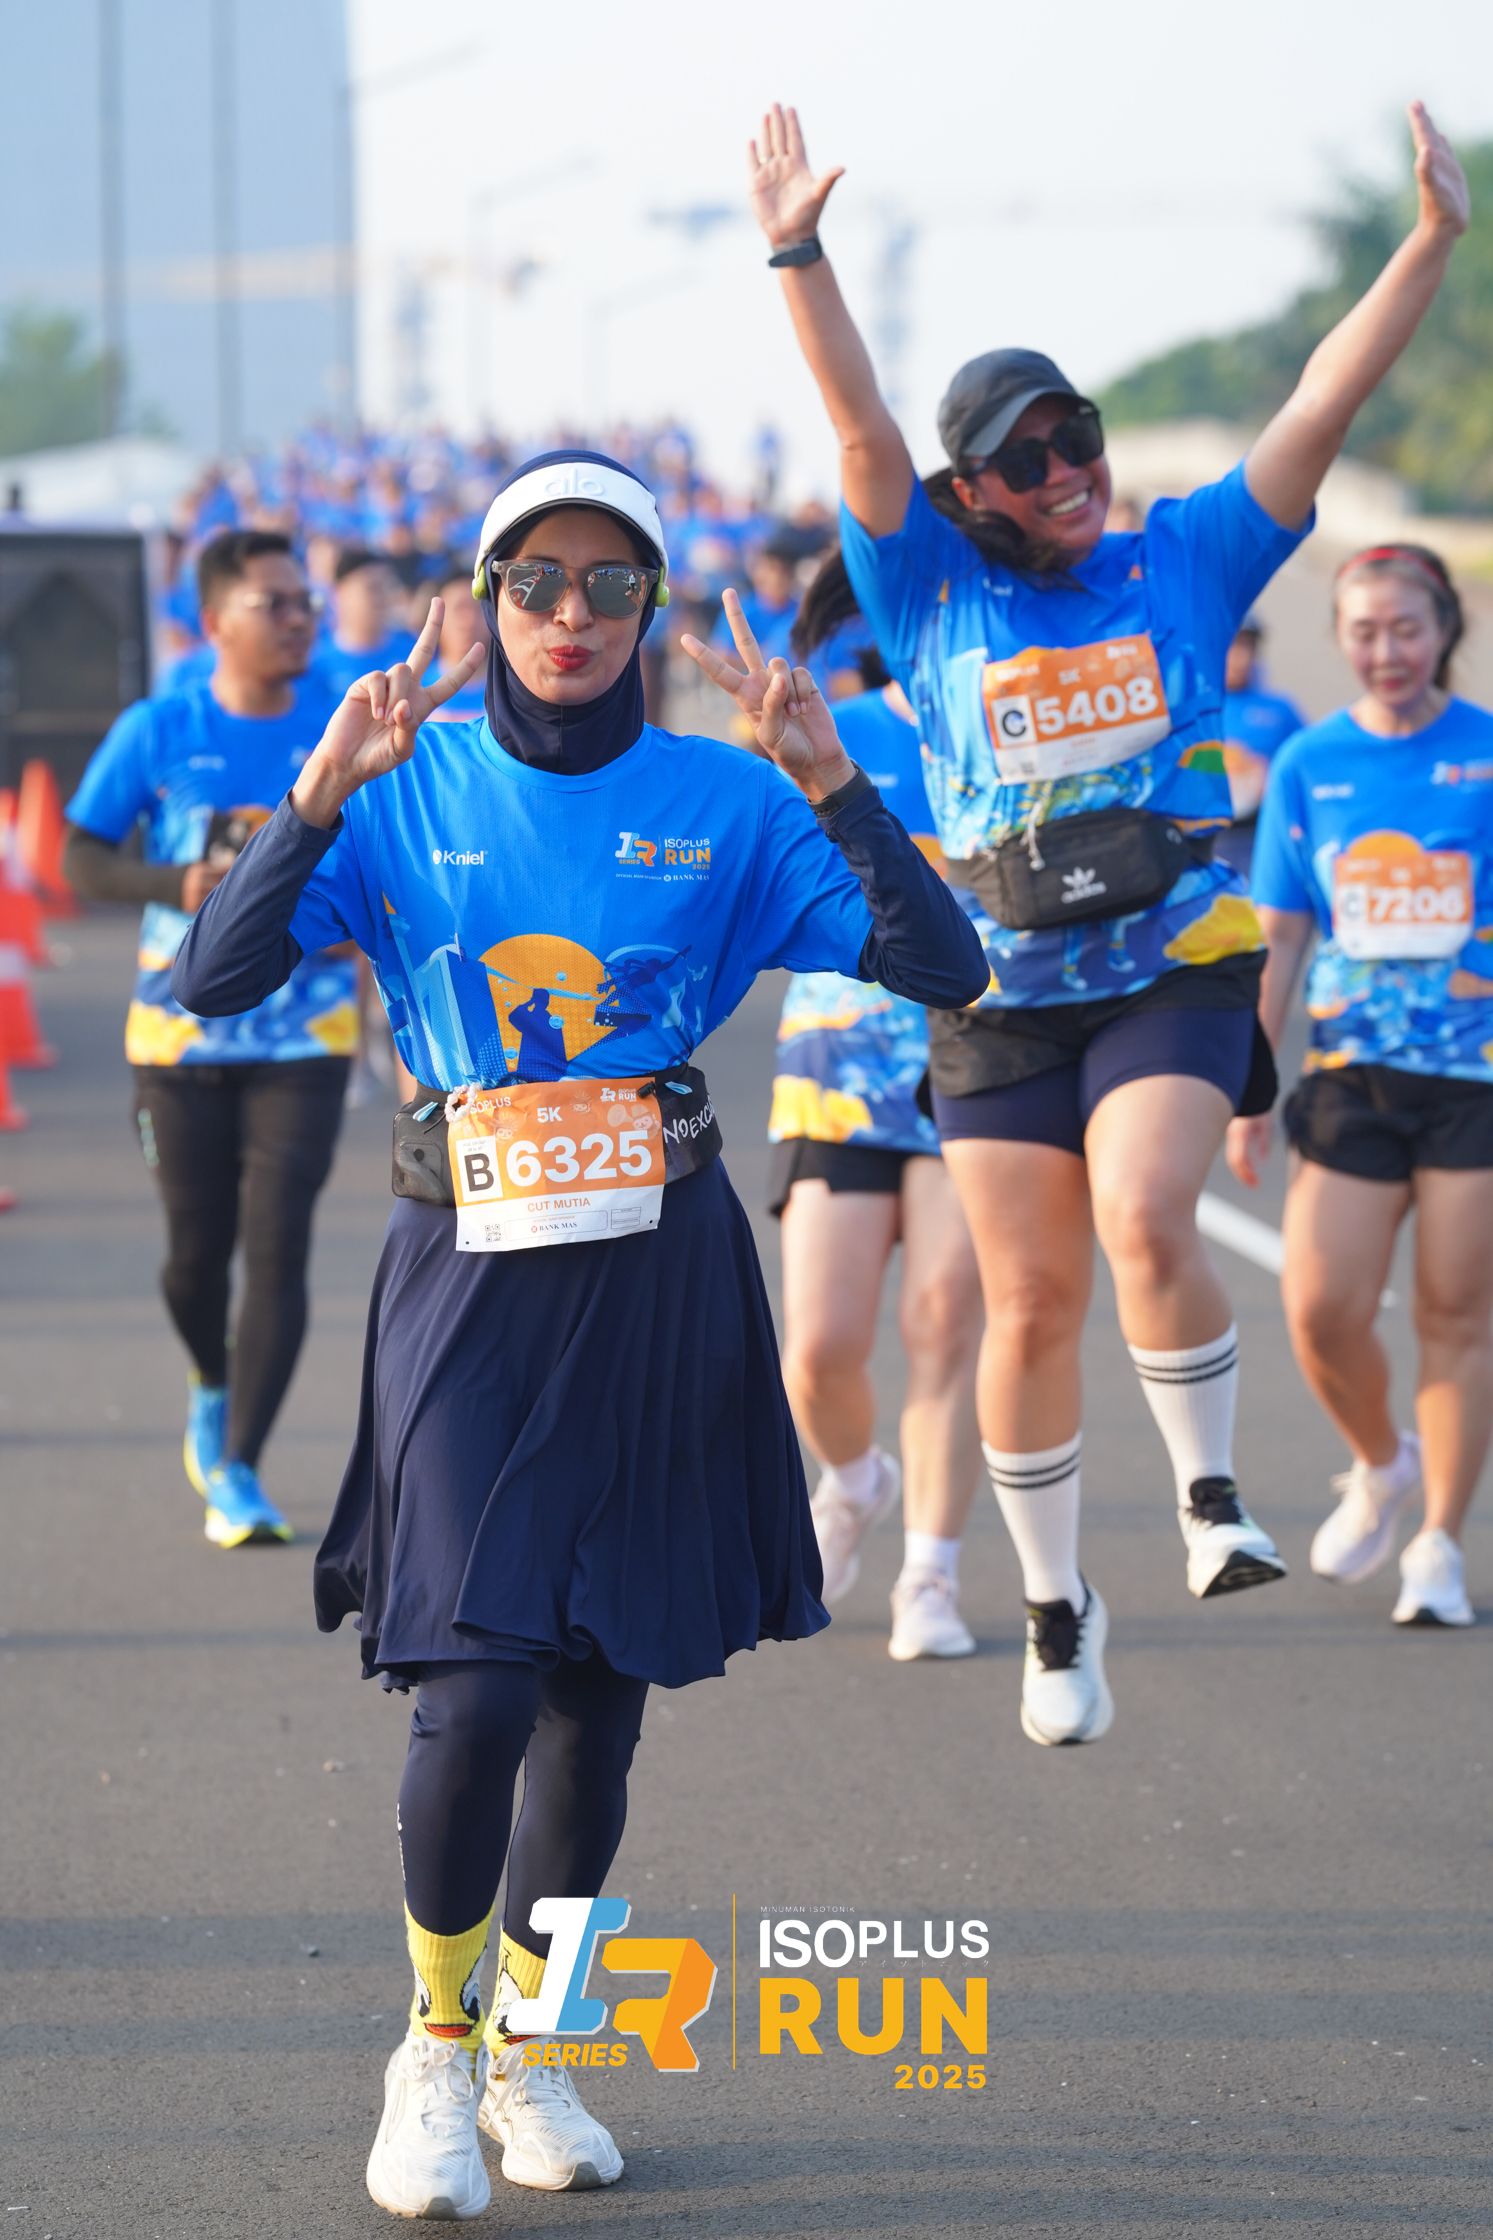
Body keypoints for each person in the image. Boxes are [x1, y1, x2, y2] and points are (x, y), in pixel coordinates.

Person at [172, 449, 985, 2222]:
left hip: (657, 1278)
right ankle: (433, 2049)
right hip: (464, 1273)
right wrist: (316, 790)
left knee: (591, 1713)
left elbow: (946, 967)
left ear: (650, 611)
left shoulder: (728, 796)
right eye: (532, 580)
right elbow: (212, 980)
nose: (568, 614)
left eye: (609, 585)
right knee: (470, 1688)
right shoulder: (400, 781)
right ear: (482, 603)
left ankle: (531, 2051)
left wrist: (831, 777)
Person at [747, 99, 1470, 1745]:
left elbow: (1319, 400)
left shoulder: (1184, 560)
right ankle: (1052, 1611)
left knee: (1144, 1215)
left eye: (1075, 436)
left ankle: (1211, 1500)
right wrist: (797, 253)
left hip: (1171, 970)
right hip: (995, 994)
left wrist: (1427, 245)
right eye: (1027, 459)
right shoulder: (927, 587)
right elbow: (857, 426)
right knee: (1026, 1308)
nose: (1067, 471)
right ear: (972, 490)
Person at [62, 529, 354, 1548]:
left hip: (305, 1033)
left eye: (305, 601)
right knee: (196, 1255)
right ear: (216, 620)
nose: (299, 619)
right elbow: (81, 856)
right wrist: (172, 883)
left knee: (277, 1246)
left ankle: (238, 1466)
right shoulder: (158, 728)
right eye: (275, 603)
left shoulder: (339, 724)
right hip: (176, 1038)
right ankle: (209, 1379)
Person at [1229, 544, 1490, 1628]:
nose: (1386, 650)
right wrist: (1248, 1085)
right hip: (1349, 1075)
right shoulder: (1308, 761)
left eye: (1406, 628)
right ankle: (1382, 1462)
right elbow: (1281, 935)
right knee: (1319, 1307)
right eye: (1364, 630)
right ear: (1338, 637)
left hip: (1474, 1078)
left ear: (1443, 629)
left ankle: (1438, 1543)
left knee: (1453, 1314)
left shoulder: (1483, 753)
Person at [746, 551, 984, 1659]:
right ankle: (851, 1479)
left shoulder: (1016, 730)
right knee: (817, 1349)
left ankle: (930, 1574)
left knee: (942, 1322)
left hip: (977, 1057)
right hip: (836, 1062)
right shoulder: (829, 730)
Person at [1216, 612, 1307, 874]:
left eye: (1247, 646)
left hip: (1261, 833)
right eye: (1232, 646)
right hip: (1209, 837)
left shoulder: (1279, 710)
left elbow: (1306, 769)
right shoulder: (1196, 709)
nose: (1240, 657)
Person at [314, 547, 410, 697]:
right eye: (373, 588)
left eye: (388, 587)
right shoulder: (315, 664)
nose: (382, 596)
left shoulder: (412, 653)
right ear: (339, 593)